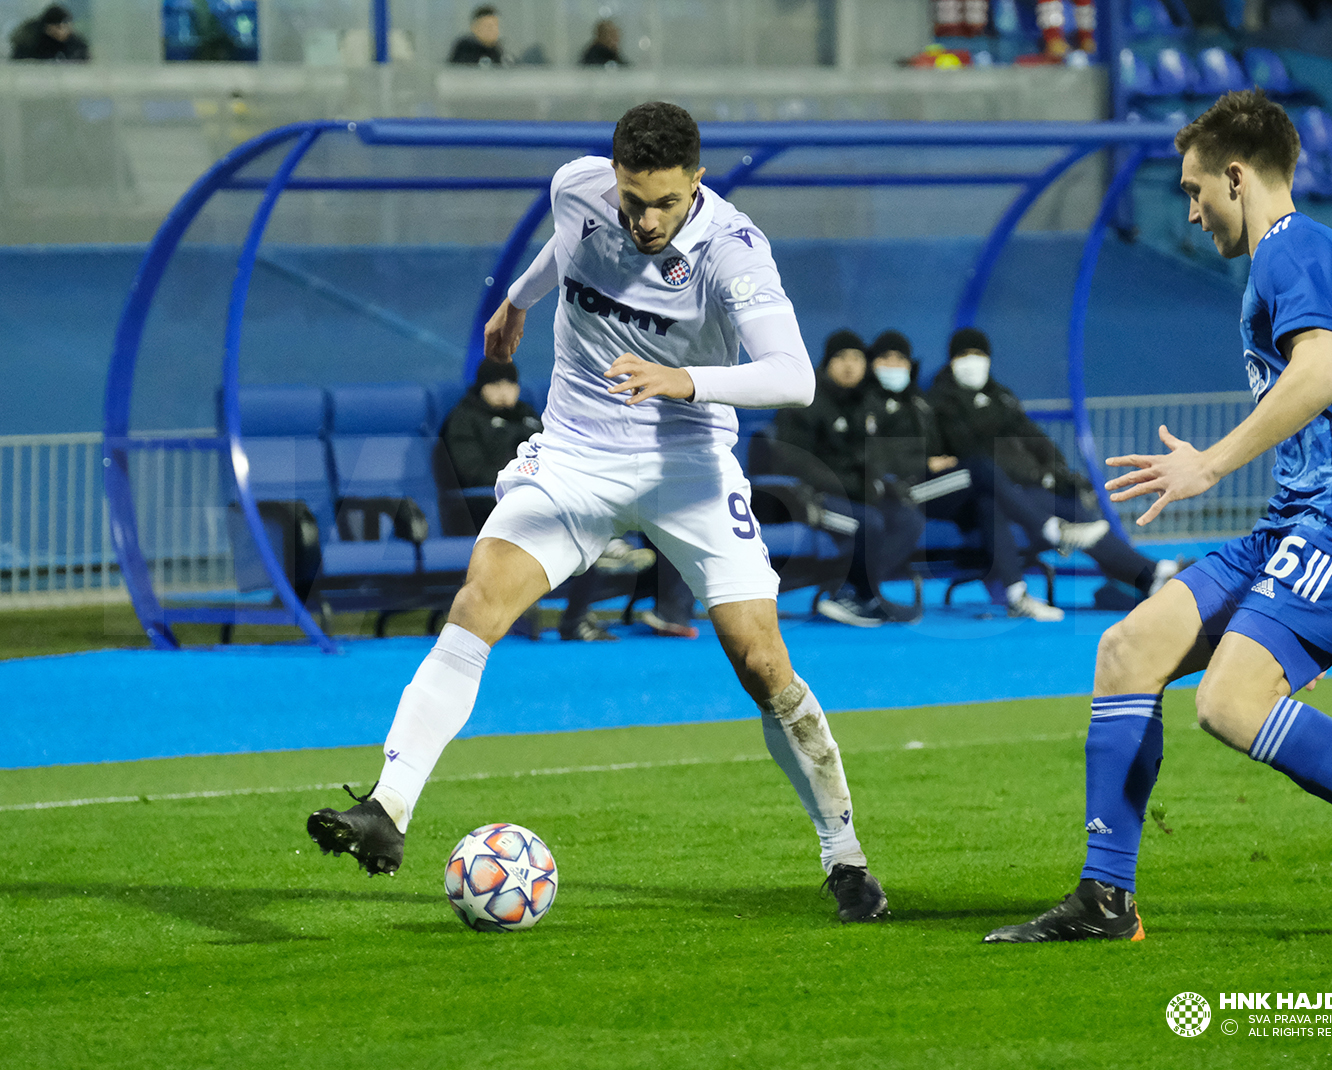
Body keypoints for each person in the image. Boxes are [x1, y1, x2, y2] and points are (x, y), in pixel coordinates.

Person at [306, 101, 889, 922]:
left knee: (760, 661)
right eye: (632, 199)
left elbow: (793, 375)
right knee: (478, 602)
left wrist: (688, 380)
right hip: (577, 451)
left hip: (687, 461)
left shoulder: (735, 252)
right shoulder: (578, 190)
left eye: (665, 202)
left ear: (698, 181)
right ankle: (389, 806)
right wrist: (516, 301)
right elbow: (568, 246)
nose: (646, 219)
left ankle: (844, 853)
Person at [985, 90, 1332, 945]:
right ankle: (1106, 898)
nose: (1191, 209)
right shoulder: (1293, 260)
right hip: (1301, 526)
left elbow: (1323, 373)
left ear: (1238, 178)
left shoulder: (1294, 248)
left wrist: (1207, 464)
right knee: (1128, 649)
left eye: (1194, 189)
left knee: (1229, 702)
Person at [929, 327, 1182, 602]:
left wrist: (1054, 472)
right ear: (951, 360)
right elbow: (972, 450)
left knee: (1078, 511)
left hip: (1027, 487)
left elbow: (1036, 438)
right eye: (964, 354)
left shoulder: (1001, 396)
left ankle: (1148, 578)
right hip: (991, 496)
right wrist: (1031, 471)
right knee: (1074, 520)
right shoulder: (940, 402)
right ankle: (1153, 574)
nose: (972, 361)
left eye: (978, 354)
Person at [863, 330, 1076, 623]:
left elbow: (936, 445)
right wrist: (924, 461)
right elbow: (874, 454)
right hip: (903, 490)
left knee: (988, 501)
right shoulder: (868, 403)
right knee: (979, 469)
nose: (893, 365)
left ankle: (1015, 594)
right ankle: (1046, 527)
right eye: (885, 358)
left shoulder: (917, 401)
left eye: (900, 358)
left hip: (931, 485)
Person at [438, 361, 653, 642]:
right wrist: (520, 477)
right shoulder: (464, 419)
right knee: (579, 525)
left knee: (581, 512)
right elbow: (469, 472)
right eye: (496, 385)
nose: (504, 392)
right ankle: (604, 553)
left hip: (543, 501)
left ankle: (580, 609)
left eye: (510, 385)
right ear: (482, 388)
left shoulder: (527, 415)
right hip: (487, 506)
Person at [770, 330, 924, 627]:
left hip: (855, 496)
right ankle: (859, 595)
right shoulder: (806, 399)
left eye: (856, 358)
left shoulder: (868, 403)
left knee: (908, 519)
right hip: (809, 498)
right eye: (841, 358)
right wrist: (854, 486)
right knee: (869, 522)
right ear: (827, 363)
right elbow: (794, 461)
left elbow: (878, 455)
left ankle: (854, 592)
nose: (849, 365)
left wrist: (881, 483)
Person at [10, 4, 89, 61]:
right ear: (48, 28)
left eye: (66, 26)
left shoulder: (75, 45)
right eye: (58, 27)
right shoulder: (31, 42)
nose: (63, 31)